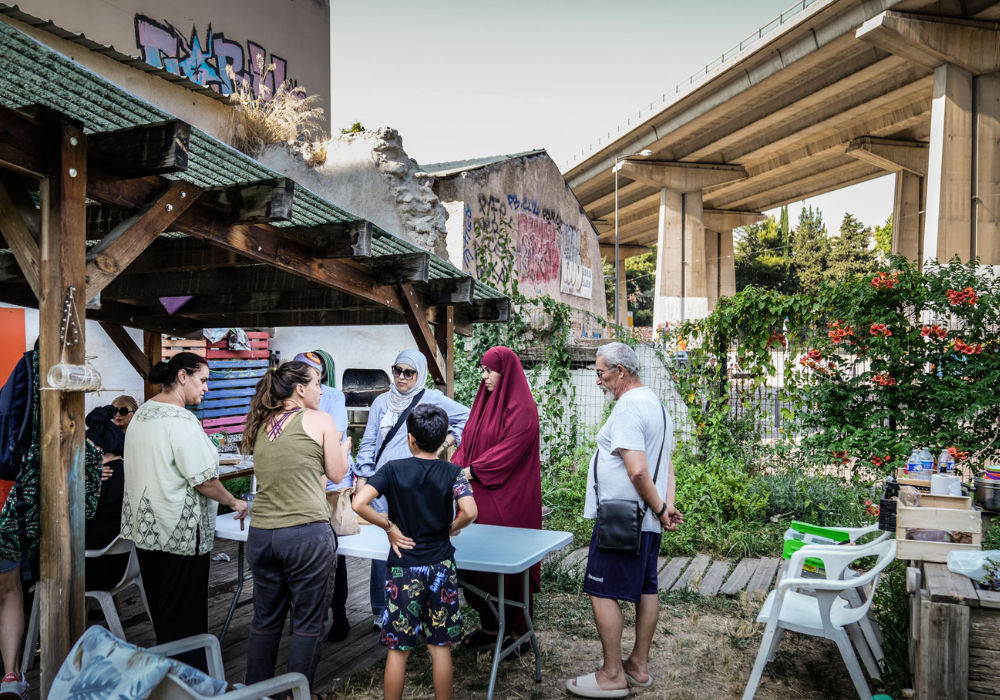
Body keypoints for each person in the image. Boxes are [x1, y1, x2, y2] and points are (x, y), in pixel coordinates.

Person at [565, 342, 683, 698]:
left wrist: (661, 510)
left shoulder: (630, 407)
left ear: (621, 371)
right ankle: (638, 666)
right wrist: (663, 508)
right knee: (647, 589)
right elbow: (668, 466)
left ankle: (612, 674)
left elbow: (637, 471)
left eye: (601, 373)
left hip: (622, 520)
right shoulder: (656, 405)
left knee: (601, 590)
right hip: (645, 519)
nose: (598, 380)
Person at [122, 352, 249, 672]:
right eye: (203, 379)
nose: (206, 388)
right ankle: (190, 679)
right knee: (186, 615)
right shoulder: (181, 421)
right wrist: (235, 502)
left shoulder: (142, 413)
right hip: (180, 532)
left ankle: (168, 674)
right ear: (182, 376)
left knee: (163, 611)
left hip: (146, 529)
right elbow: (204, 480)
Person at [352, 404, 478, 700]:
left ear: (410, 439)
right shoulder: (454, 472)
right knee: (440, 648)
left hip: (403, 568)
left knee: (398, 649)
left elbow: (359, 503)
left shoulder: (393, 470)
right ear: (442, 439)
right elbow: (470, 511)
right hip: (441, 568)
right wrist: (451, 527)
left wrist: (389, 527)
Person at [242, 360, 350, 698]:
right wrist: (344, 449)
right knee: (307, 623)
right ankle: (295, 695)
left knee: (265, 620)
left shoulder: (260, 423)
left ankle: (257, 692)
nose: (321, 390)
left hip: (261, 535)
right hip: (305, 534)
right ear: (300, 389)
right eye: (318, 382)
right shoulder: (320, 420)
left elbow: (302, 473)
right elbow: (336, 474)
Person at [354, 350, 469, 629]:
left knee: (413, 539)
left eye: (409, 372)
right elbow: (369, 442)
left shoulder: (433, 399)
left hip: (418, 479)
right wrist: (361, 478)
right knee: (383, 543)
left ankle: (418, 608)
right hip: (384, 481)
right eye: (397, 370)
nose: (402, 377)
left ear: (420, 374)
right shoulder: (382, 402)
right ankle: (382, 610)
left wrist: (443, 443)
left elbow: (469, 419)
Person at [452, 347, 542, 654]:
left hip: (508, 501)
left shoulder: (524, 410)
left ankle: (519, 632)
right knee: (473, 564)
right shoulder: (484, 402)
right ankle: (490, 626)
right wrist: (452, 470)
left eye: (490, 371)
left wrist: (469, 471)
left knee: (506, 565)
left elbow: (506, 453)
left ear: (506, 373)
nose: (484, 376)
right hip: (476, 496)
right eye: (483, 370)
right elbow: (467, 442)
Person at [293, 351, 352, 643]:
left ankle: (340, 615)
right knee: (305, 555)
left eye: (311, 372)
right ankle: (307, 616)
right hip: (301, 486)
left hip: (326, 488)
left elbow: (337, 439)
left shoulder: (333, 397)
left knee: (333, 554)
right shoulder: (285, 403)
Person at [83, 405, 128, 591]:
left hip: (97, 565)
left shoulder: (99, 478)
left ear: (96, 448)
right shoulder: (128, 469)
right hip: (127, 561)